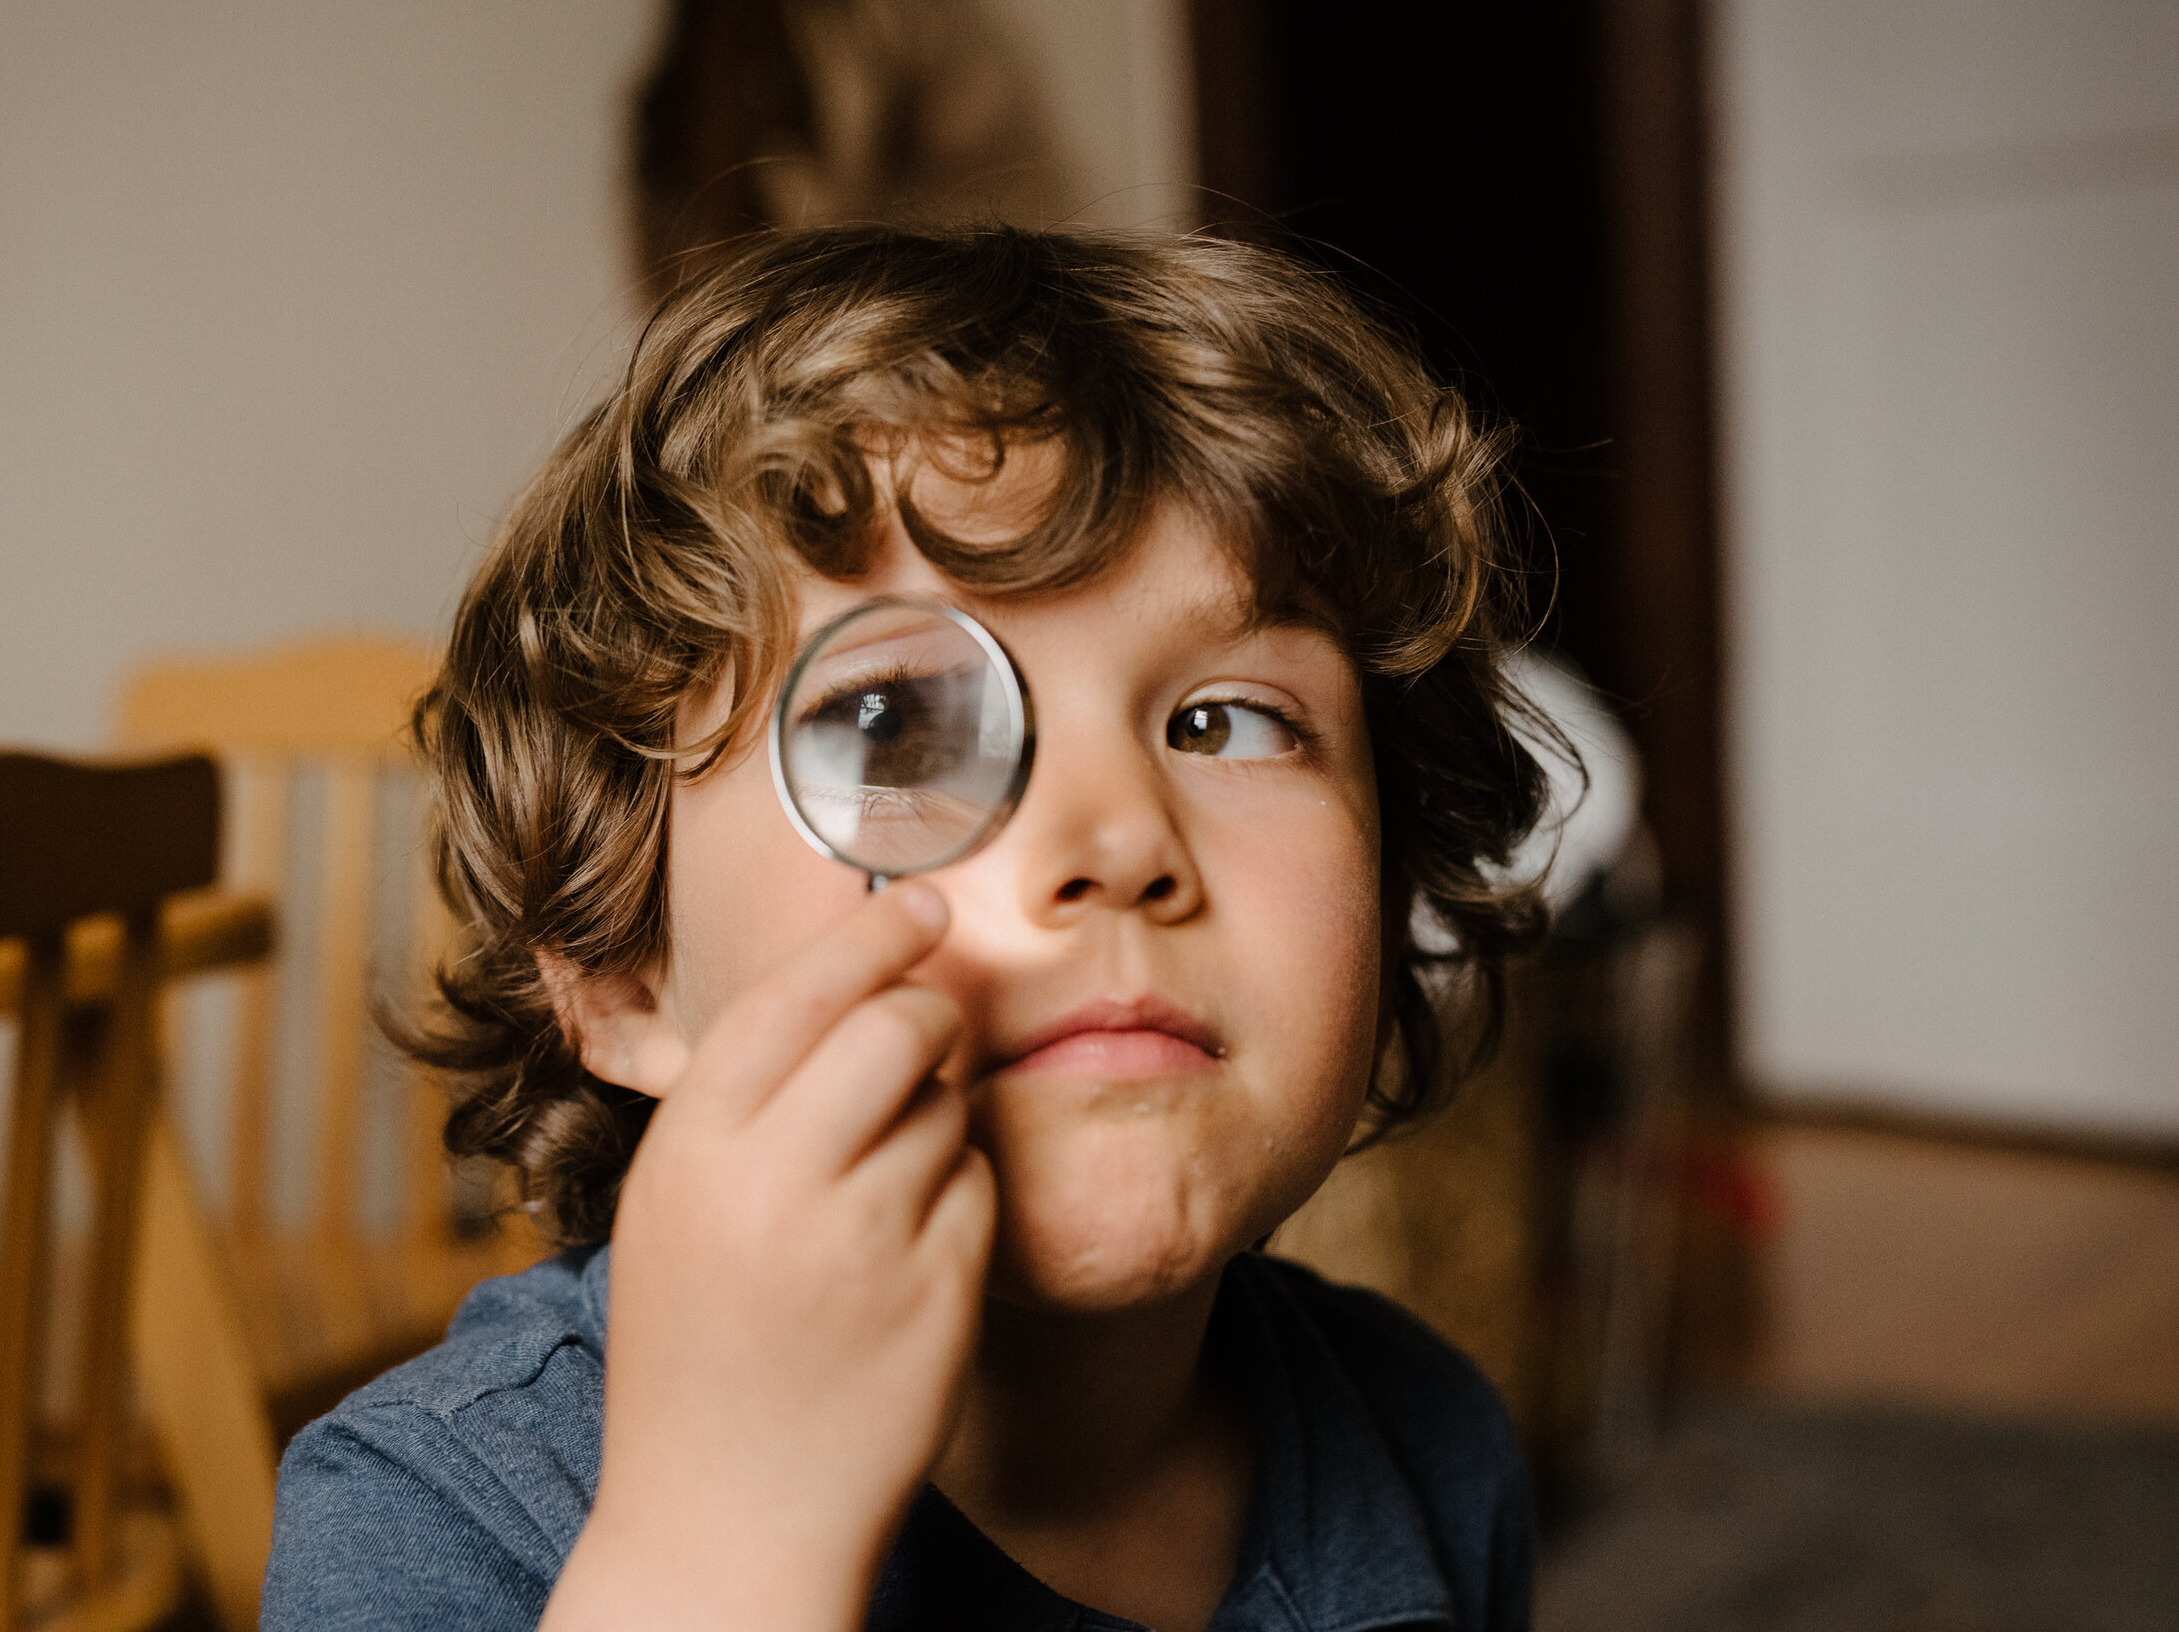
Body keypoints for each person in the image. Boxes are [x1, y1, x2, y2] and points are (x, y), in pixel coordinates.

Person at [264, 225, 1552, 1632]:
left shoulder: (1435, 1447)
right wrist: (722, 1534)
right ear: (621, 966)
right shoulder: (434, 1511)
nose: (1118, 843)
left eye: (1223, 720)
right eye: (900, 725)